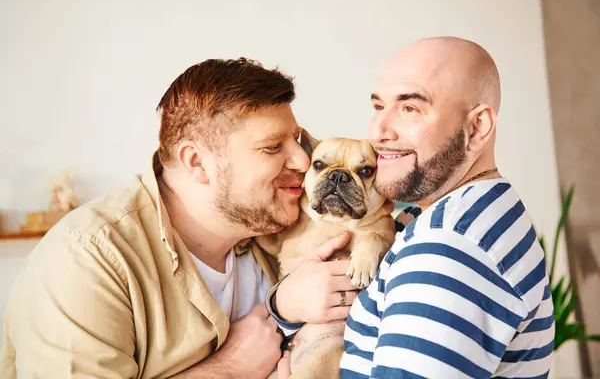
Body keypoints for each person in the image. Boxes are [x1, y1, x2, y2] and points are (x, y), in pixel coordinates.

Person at [0, 58, 359, 379]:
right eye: (272, 147)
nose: (301, 161)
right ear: (196, 162)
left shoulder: (278, 225)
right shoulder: (85, 259)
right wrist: (230, 368)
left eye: (297, 141)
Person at [338, 37, 555, 378]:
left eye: (410, 108)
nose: (378, 131)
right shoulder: (465, 210)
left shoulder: (446, 249)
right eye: (379, 107)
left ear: (477, 127)